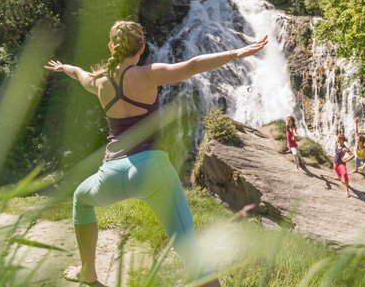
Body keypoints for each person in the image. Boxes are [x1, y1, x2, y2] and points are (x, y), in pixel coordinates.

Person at [44, 20, 268, 286]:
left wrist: (62, 68)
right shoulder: (148, 74)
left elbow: (77, 72)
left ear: (111, 46)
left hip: (112, 172)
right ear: (141, 49)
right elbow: (194, 65)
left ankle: (88, 271)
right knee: (189, 250)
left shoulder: (98, 81)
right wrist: (236, 53)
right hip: (152, 171)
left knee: (82, 199)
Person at [351, 117, 365, 189]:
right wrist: (356, 123)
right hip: (358, 157)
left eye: (358, 140)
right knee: (357, 164)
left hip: (364, 159)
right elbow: (356, 132)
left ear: (362, 142)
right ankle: (356, 170)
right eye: (357, 139)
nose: (357, 140)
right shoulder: (357, 142)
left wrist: (363, 166)